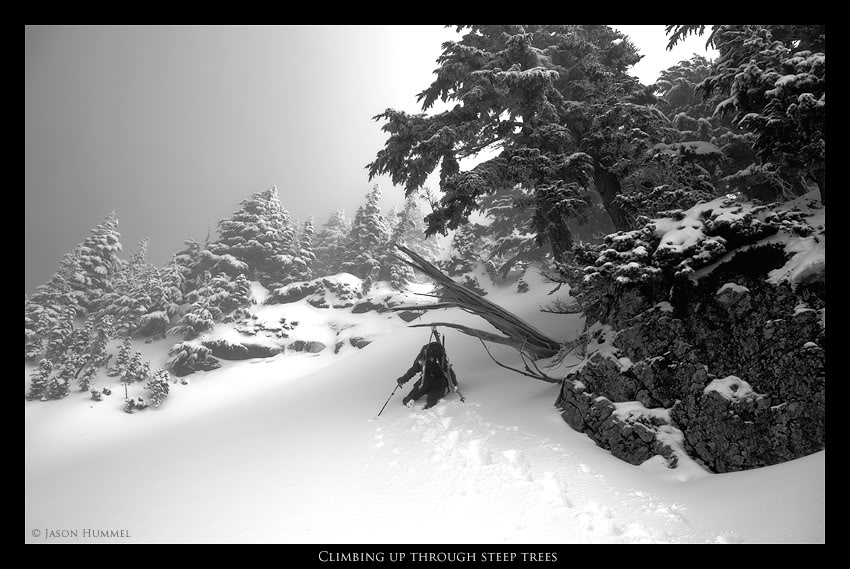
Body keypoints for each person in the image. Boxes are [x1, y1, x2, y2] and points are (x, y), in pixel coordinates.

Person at [396, 339, 458, 410]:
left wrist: (403, 380)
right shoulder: (429, 358)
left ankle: (419, 407)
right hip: (431, 381)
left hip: (433, 381)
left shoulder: (431, 358)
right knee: (414, 398)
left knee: (429, 399)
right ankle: (414, 404)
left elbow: (412, 371)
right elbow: (448, 370)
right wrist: (403, 380)